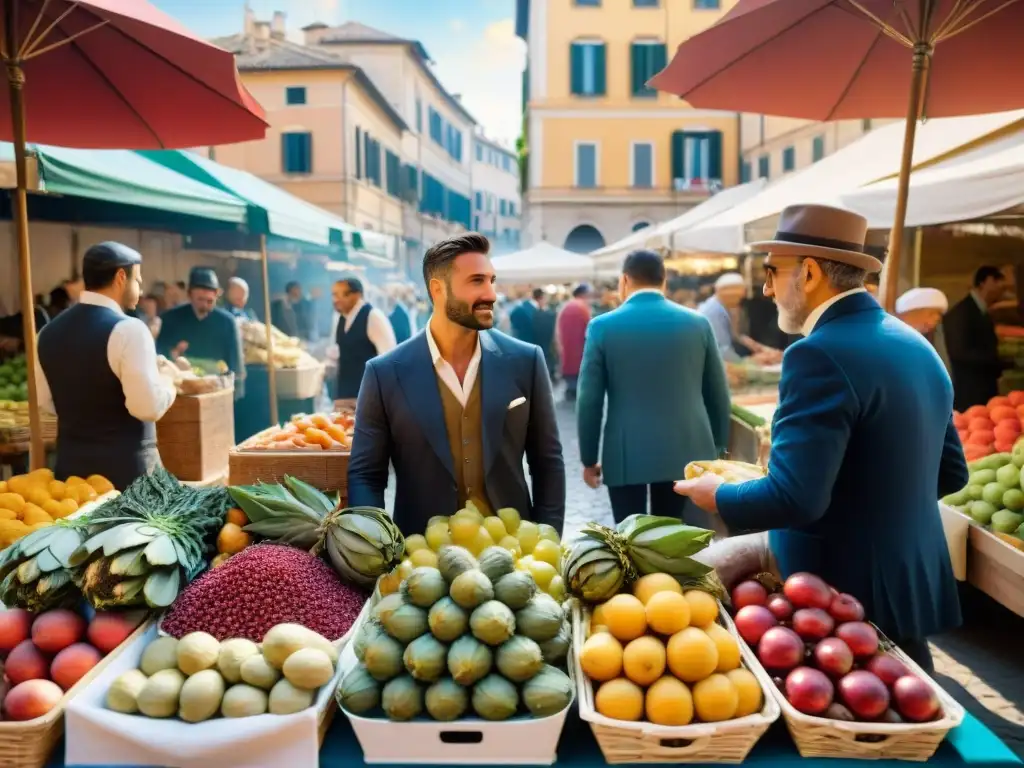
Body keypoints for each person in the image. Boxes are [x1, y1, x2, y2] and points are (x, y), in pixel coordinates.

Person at [673, 204, 967, 672]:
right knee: (912, 712)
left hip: (842, 593)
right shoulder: (915, 342)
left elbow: (796, 498)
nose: (766, 289)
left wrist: (721, 495)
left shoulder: (817, 354)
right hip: (906, 581)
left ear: (808, 273)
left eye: (772, 272)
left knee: (864, 733)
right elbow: (951, 472)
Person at [347, 233, 565, 535]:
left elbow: (548, 463)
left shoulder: (525, 360)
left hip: (513, 555)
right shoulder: (384, 373)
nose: (491, 293)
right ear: (438, 290)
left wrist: (547, 540)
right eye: (477, 281)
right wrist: (373, 544)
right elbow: (366, 475)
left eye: (492, 280)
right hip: (420, 557)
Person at [577, 250, 731, 525]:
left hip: (626, 453)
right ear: (664, 281)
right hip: (689, 451)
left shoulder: (602, 327)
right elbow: (718, 394)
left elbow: (589, 400)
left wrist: (589, 458)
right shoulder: (697, 323)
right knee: (677, 541)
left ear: (624, 280)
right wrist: (718, 448)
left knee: (630, 540)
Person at [36, 242, 176, 490]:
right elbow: (147, 407)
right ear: (121, 277)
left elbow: (46, 401)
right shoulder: (130, 329)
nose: (141, 289)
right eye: (138, 280)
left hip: (70, 479)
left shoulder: (46, 333)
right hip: (127, 482)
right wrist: (168, 380)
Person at [157, 267, 244, 398]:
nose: (204, 305)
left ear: (217, 295)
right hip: (180, 390)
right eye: (200, 299)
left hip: (217, 389)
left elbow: (235, 363)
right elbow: (159, 355)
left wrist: (234, 392)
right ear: (189, 294)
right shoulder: (170, 318)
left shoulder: (227, 322)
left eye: (209, 301)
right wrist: (172, 352)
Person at [944, 266, 1006, 411]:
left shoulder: (983, 310)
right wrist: (997, 361)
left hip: (984, 390)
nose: (1000, 287)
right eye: (995, 280)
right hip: (969, 393)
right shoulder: (962, 313)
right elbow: (958, 351)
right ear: (983, 282)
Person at [332, 277, 396, 400]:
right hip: (344, 396)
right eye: (334, 295)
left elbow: (389, 358)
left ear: (357, 295)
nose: (336, 300)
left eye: (342, 295)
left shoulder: (373, 316)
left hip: (368, 396)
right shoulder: (340, 318)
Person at [699, 273, 768, 362]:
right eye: (738, 296)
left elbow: (736, 336)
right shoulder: (713, 311)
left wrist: (761, 349)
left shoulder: (721, 308)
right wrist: (748, 362)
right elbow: (721, 349)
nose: (741, 298)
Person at [897, 287, 951, 373]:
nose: (934, 321)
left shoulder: (935, 337)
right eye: (931, 314)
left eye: (938, 315)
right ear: (908, 314)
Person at [557, 284, 591, 401]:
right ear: (584, 295)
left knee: (571, 375)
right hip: (580, 352)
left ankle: (570, 390)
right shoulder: (582, 308)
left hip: (567, 351)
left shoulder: (565, 307)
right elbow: (589, 331)